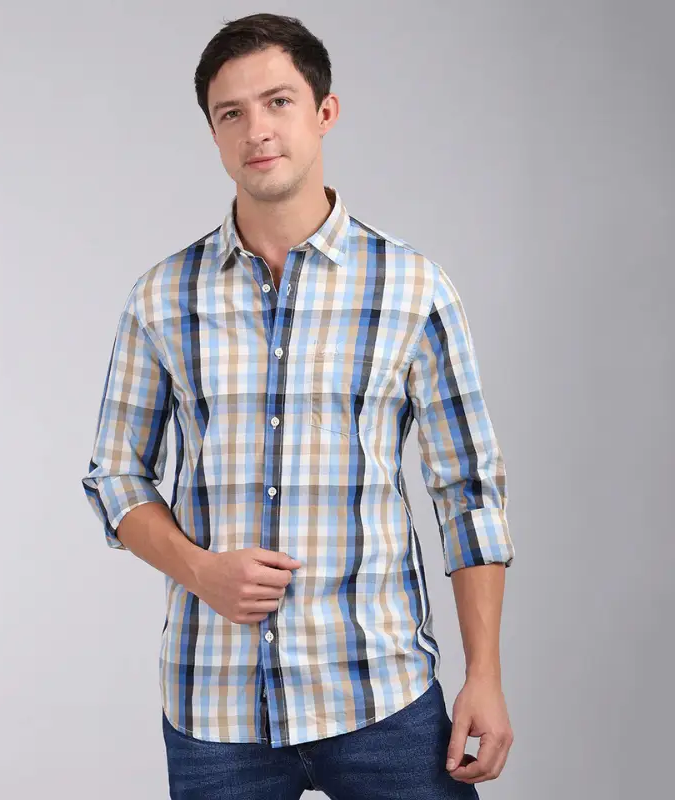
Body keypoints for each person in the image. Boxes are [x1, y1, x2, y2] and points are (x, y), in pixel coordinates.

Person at [81, 12, 516, 800]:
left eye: (278, 102)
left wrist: (483, 673)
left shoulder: (413, 288)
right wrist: (200, 570)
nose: (257, 130)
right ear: (214, 134)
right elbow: (115, 475)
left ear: (324, 112)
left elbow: (468, 490)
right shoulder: (161, 298)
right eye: (231, 113)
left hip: (381, 694)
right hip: (216, 706)